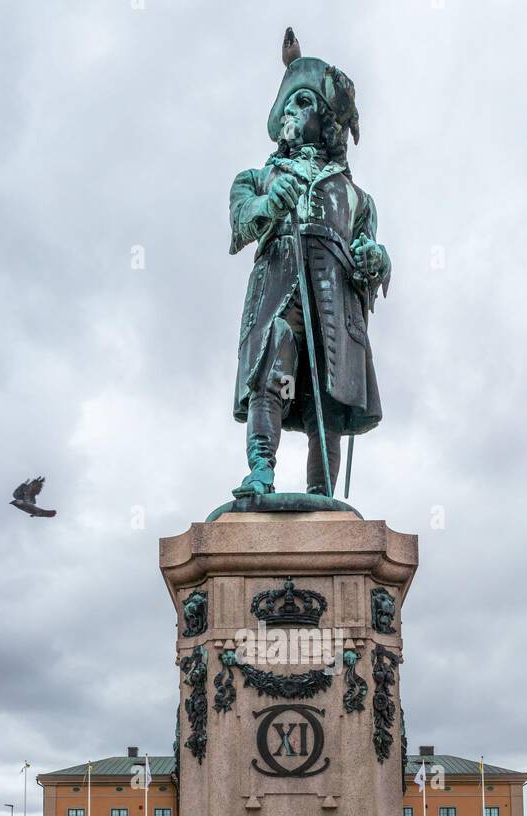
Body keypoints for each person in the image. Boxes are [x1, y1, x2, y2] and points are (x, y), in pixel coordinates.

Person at [228, 38, 391, 499]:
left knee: (329, 393)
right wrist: (267, 206)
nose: (291, 113)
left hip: (334, 299)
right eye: (287, 105)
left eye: (304, 103)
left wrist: (375, 262)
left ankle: (321, 495)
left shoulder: (358, 197)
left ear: (326, 122)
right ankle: (261, 470)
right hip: (278, 286)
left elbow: (370, 262)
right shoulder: (256, 178)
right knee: (271, 365)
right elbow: (240, 226)